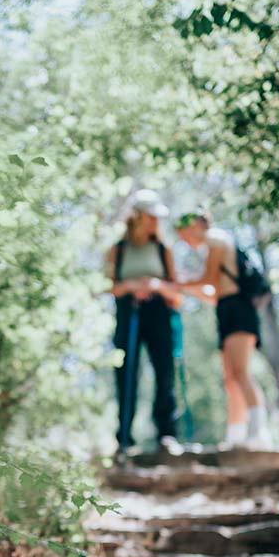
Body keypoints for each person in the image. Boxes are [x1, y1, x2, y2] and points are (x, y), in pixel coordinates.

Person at [175, 212, 268, 447]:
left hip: (239, 310)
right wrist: (185, 288)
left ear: (195, 225)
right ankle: (235, 436)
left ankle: (259, 432)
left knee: (241, 372)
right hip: (226, 309)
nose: (184, 242)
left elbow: (207, 278)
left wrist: (176, 283)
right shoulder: (213, 243)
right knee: (230, 378)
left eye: (183, 235)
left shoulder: (216, 237)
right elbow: (214, 292)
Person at [107, 190, 181, 454]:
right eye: (151, 217)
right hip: (129, 312)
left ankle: (166, 434)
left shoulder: (163, 249)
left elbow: (176, 292)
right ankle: (124, 438)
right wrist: (131, 286)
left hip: (159, 312)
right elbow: (109, 286)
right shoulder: (118, 249)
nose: (155, 222)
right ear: (137, 217)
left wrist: (156, 286)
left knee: (164, 371)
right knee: (126, 372)